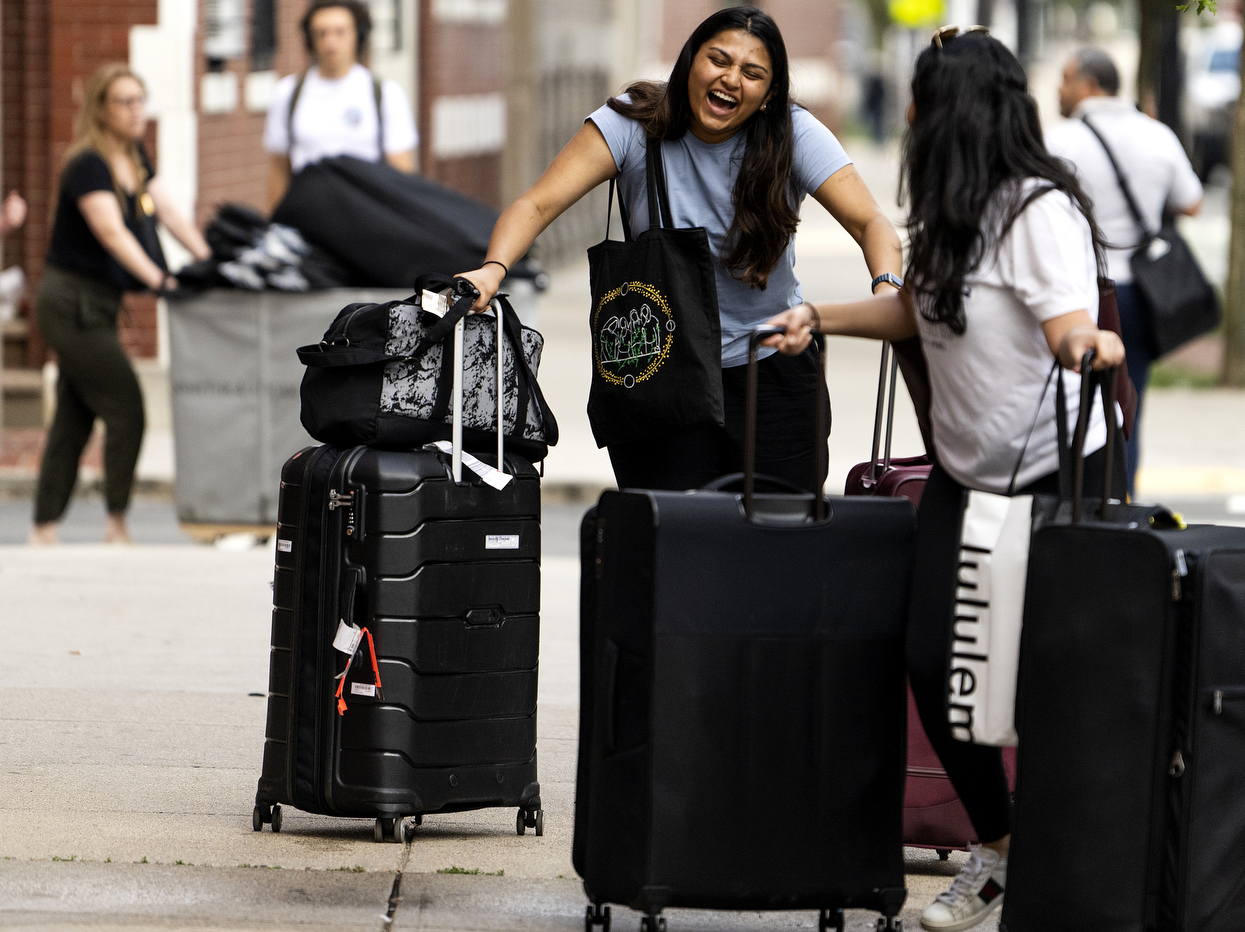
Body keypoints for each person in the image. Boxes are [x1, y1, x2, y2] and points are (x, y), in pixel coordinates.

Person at [764, 27, 1125, 931]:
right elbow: (917, 313)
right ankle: (997, 849)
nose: (913, 114)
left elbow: (1067, 326)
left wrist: (1092, 346)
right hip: (969, 472)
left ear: (950, 113)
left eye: (922, 100)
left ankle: (1061, 863)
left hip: (1051, 473)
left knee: (1039, 673)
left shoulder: (1038, 209)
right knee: (933, 655)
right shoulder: (955, 212)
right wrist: (819, 316)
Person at [456, 5, 902, 492]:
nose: (731, 79)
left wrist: (886, 292)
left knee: (779, 547)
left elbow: (870, 222)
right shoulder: (631, 124)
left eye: (752, 73)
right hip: (659, 372)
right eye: (718, 60)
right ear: (690, 61)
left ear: (770, 93)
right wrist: (492, 269)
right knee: (670, 545)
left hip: (771, 373)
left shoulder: (792, 134)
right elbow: (537, 205)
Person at [31, 64, 210, 545]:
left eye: (140, 100)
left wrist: (209, 259)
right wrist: (159, 280)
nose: (137, 112)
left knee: (75, 412)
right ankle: (116, 524)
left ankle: (44, 529)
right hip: (72, 303)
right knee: (127, 407)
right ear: (101, 109)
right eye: (125, 102)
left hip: (98, 305)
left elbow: (166, 209)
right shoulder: (88, 164)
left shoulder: (133, 157)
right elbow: (112, 232)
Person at [1046, 48, 1203, 497]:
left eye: (1065, 78)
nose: (1059, 88)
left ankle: (1076, 496)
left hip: (1079, 294)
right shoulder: (1158, 136)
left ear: (1089, 85)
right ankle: (1121, 497)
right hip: (1142, 294)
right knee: (1128, 401)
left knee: (1074, 399)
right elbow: (1191, 202)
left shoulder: (1060, 142)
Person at [263, 0, 419, 207]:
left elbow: (401, 172)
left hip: (366, 214)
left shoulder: (385, 95)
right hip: (308, 216)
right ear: (310, 39)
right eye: (321, 33)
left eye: (340, 32)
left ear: (358, 36)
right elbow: (279, 170)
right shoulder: (289, 94)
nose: (331, 42)